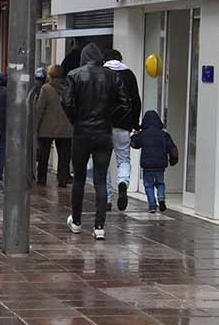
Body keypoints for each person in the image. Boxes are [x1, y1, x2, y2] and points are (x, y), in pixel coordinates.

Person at [62, 42, 130, 241]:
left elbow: (66, 102)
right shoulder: (112, 76)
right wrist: (109, 117)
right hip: (103, 132)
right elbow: (125, 104)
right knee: (101, 179)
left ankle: (76, 221)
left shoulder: (74, 75)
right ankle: (99, 226)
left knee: (79, 179)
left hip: (82, 132)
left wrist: (76, 119)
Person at [104, 49, 142, 211]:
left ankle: (106, 198)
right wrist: (135, 124)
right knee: (124, 159)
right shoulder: (129, 75)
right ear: (120, 59)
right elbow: (136, 101)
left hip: (103, 125)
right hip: (123, 125)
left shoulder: (102, 74)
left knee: (102, 161)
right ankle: (122, 183)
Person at [131, 110, 178, 213]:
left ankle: (152, 205)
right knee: (160, 183)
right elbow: (172, 148)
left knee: (149, 185)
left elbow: (134, 144)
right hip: (160, 165)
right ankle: (161, 199)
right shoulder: (164, 134)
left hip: (147, 166)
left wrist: (135, 135)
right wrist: (173, 159)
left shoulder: (143, 134)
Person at [35, 65, 72, 187]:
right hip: (66, 128)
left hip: (47, 128)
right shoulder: (67, 88)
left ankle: (42, 179)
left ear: (50, 75)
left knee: (43, 156)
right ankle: (62, 179)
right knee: (64, 156)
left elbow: (40, 109)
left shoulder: (46, 89)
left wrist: (35, 127)